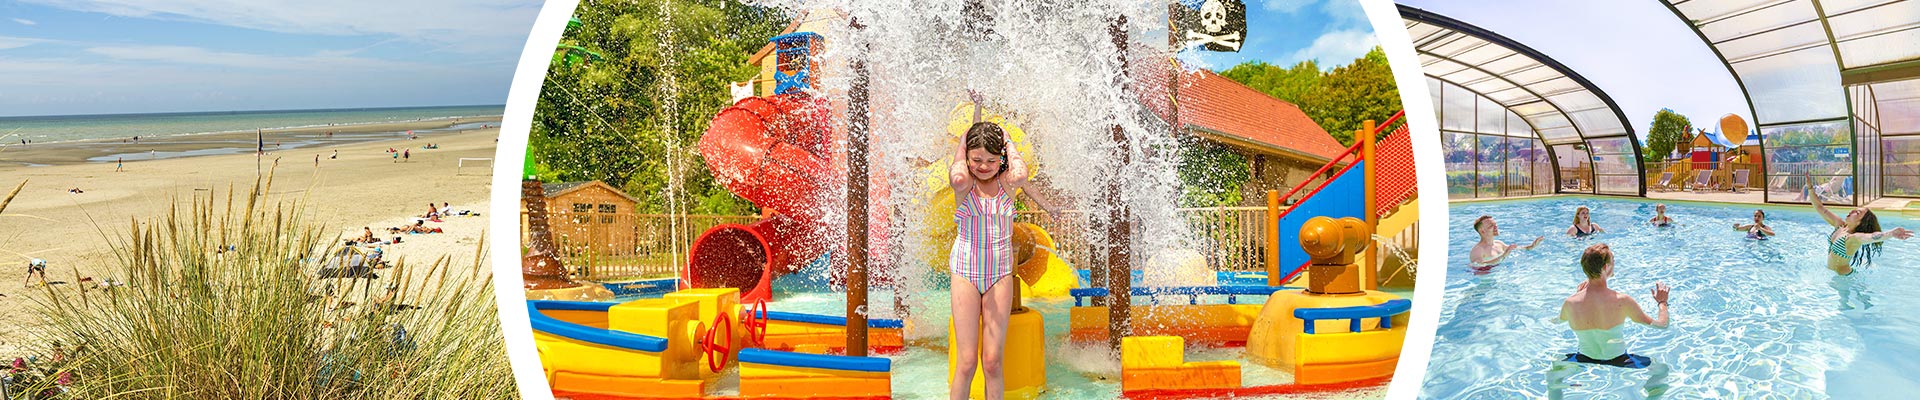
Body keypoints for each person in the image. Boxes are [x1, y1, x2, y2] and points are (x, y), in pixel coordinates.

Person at [947, 121, 1058, 400]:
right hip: (965, 273)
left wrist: (1008, 141)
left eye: (991, 160)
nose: (983, 166)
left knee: (993, 361)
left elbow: (1020, 173)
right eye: (977, 159)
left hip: (998, 275)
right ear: (967, 157)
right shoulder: (966, 186)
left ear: (1001, 160)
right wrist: (962, 143)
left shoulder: (1006, 184)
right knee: (968, 360)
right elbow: (957, 176)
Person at [1809, 172, 1912, 309]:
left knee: (1846, 305)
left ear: (1860, 223)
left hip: (1844, 277)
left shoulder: (1853, 238)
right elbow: (1820, 208)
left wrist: (1891, 233)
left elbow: (1871, 237)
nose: (1852, 211)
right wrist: (1810, 189)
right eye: (1855, 210)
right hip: (1838, 274)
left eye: (1857, 213)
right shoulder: (1840, 226)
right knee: (1852, 300)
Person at [1558, 243, 1670, 368]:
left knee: (1554, 373)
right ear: (1606, 267)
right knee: (1660, 369)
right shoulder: (1622, 301)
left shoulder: (1570, 302)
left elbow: (1557, 322)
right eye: (1613, 261)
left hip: (1582, 358)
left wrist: (1578, 295)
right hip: (1620, 360)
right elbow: (1662, 325)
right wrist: (1662, 302)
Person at [1468, 215, 1542, 273]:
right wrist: (1503, 256)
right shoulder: (1478, 250)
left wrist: (1531, 246)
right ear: (1482, 231)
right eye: (1491, 226)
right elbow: (1477, 265)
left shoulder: (1499, 244)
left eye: (1495, 224)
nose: (1496, 227)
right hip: (1486, 277)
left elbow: (1516, 249)